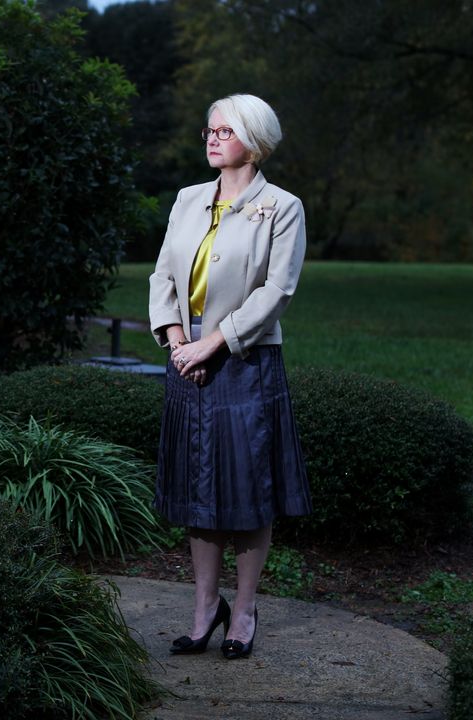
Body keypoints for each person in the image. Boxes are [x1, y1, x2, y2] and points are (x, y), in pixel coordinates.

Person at [147, 93, 312, 659]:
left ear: (254, 140)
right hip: (184, 357)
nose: (212, 138)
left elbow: (277, 291)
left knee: (247, 492)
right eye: (209, 130)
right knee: (198, 490)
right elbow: (163, 275)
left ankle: (243, 611)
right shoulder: (187, 199)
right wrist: (176, 342)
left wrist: (211, 345)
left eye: (224, 130)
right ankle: (203, 610)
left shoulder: (283, 207)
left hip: (244, 361)